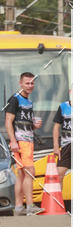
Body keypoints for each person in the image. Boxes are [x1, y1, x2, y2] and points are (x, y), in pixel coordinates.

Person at [4, 71, 42, 215]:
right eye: (27, 83)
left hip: (28, 141)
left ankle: (19, 207)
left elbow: (24, 122)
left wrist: (34, 126)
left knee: (21, 174)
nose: (30, 85)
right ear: (20, 83)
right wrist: (13, 141)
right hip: (20, 142)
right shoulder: (15, 99)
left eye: (32, 83)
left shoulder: (29, 102)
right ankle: (30, 206)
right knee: (30, 172)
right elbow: (8, 122)